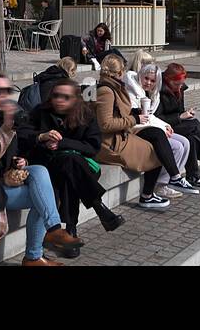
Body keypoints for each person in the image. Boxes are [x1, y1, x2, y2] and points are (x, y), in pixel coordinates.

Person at [0, 73, 83, 266]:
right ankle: (33, 256)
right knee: (44, 199)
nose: (4, 95)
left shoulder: (1, 116)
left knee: (39, 171)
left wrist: (20, 161)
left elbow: (9, 152)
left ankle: (53, 230)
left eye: (7, 91)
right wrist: (7, 127)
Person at [18, 77, 125, 241]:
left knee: (70, 166)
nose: (59, 100)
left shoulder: (85, 115)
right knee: (69, 168)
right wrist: (42, 138)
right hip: (50, 165)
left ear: (75, 99)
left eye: (65, 97)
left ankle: (70, 232)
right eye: (56, 95)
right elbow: (23, 135)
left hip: (82, 167)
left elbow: (92, 148)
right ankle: (97, 209)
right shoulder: (41, 112)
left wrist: (63, 143)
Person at [93, 54, 170, 210]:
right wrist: (134, 119)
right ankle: (147, 196)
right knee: (154, 151)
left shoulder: (109, 86)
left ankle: (151, 192)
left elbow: (117, 112)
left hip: (117, 137)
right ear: (120, 71)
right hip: (110, 143)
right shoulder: (107, 91)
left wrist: (134, 113)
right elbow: (106, 124)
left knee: (156, 143)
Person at [129, 62, 198, 195]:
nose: (148, 82)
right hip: (137, 130)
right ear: (140, 76)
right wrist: (165, 124)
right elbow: (142, 119)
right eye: (146, 78)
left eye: (152, 80)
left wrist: (164, 125)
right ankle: (163, 183)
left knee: (186, 142)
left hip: (150, 127)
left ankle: (171, 181)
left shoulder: (154, 94)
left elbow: (152, 117)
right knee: (177, 146)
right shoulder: (133, 91)